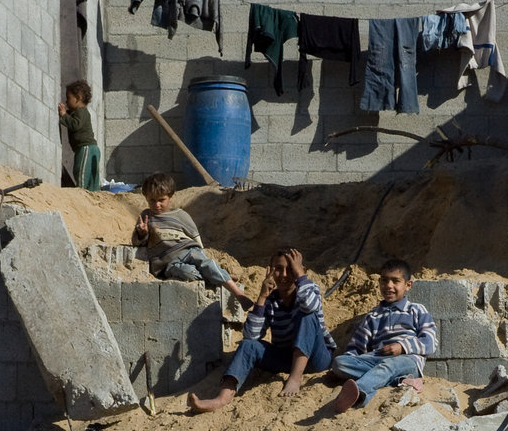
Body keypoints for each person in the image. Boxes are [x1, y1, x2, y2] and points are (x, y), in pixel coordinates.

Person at [189, 248, 335, 412]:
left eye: (290, 269)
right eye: (278, 269)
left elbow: (309, 306)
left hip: (317, 358)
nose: (284, 275)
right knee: (247, 345)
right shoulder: (271, 300)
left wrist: (301, 275)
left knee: (307, 316)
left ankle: (295, 378)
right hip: (285, 357)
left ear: (300, 271)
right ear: (270, 271)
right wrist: (262, 297)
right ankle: (221, 399)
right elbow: (251, 335)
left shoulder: (309, 289)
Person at [329, 258, 437, 413]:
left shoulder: (416, 310)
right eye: (385, 281)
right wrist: (346, 364)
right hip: (376, 359)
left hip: (407, 361)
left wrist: (402, 347)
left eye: (395, 281)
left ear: (408, 285)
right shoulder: (372, 316)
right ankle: (398, 381)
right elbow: (356, 347)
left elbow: (430, 342)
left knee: (389, 366)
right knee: (339, 363)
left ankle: (360, 391)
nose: (389, 286)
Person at [132, 173, 252, 307]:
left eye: (161, 200)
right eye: (152, 200)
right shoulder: (146, 217)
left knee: (206, 264)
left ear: (170, 197)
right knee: (188, 273)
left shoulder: (180, 215)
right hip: (168, 263)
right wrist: (142, 233)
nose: (157, 204)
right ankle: (220, 277)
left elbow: (194, 236)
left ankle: (238, 293)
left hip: (189, 251)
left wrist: (201, 253)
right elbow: (137, 242)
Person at [58, 80, 102, 190]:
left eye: (68, 98)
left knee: (81, 172)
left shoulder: (81, 112)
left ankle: (81, 192)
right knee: (92, 177)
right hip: (90, 149)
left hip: (86, 148)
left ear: (78, 98)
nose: (66, 102)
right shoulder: (78, 112)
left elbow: (75, 125)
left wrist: (63, 115)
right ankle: (92, 193)